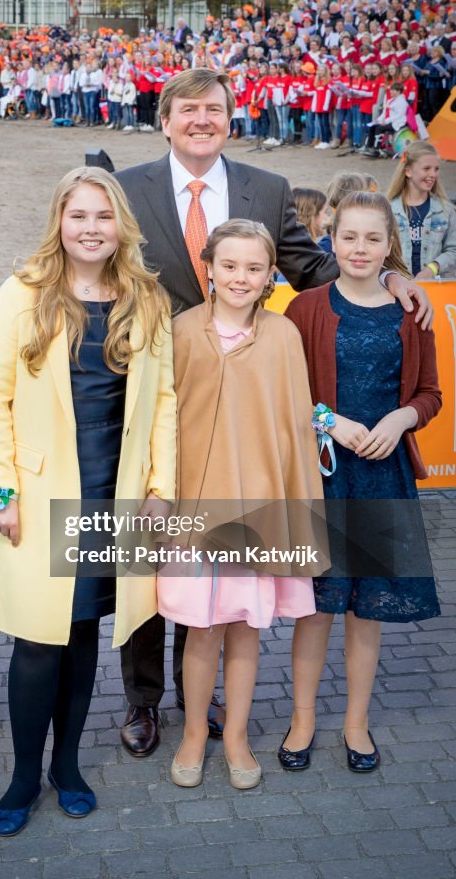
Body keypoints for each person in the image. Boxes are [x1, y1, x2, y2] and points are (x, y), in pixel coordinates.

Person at [113, 68, 431, 758]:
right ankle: (143, 701)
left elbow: (315, 270)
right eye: (187, 109)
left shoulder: (269, 187)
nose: (202, 120)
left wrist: (390, 275)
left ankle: (214, 699)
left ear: (231, 118)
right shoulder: (127, 190)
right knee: (153, 551)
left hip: (242, 409)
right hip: (159, 392)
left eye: (215, 109)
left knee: (221, 582)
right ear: (164, 119)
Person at [0, 166, 176, 837]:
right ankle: (23, 776)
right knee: (36, 644)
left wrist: (158, 489)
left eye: (102, 216)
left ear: (121, 224)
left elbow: (165, 402)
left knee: (83, 638)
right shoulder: (24, 294)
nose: (90, 228)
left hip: (109, 498)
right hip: (35, 496)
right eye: (78, 215)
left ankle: (67, 768)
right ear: (59, 221)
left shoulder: (146, 298)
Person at [158, 220, 326, 790]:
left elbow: (296, 428)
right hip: (195, 511)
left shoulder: (282, 337)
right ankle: (194, 734)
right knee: (202, 630)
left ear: (270, 276)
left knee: (246, 629)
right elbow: (161, 425)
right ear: (209, 267)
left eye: (255, 268)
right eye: (229, 265)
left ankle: (235, 734)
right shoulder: (180, 332)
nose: (241, 277)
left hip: (255, 512)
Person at [281, 191, 441, 773]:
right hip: (324, 474)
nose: (360, 248)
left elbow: (430, 395)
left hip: (381, 475)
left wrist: (401, 420)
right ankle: (302, 720)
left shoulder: (410, 311)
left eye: (373, 239)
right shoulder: (306, 309)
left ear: (389, 246)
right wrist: (334, 421)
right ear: (331, 236)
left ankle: (356, 723)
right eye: (349, 236)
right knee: (316, 608)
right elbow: (288, 395)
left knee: (364, 609)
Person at [386, 140, 456, 279]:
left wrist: (432, 269)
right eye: (426, 168)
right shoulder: (388, 210)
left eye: (436, 169)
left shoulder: (446, 211)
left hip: (434, 288)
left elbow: (455, 250)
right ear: (408, 171)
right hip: (397, 288)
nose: (433, 174)